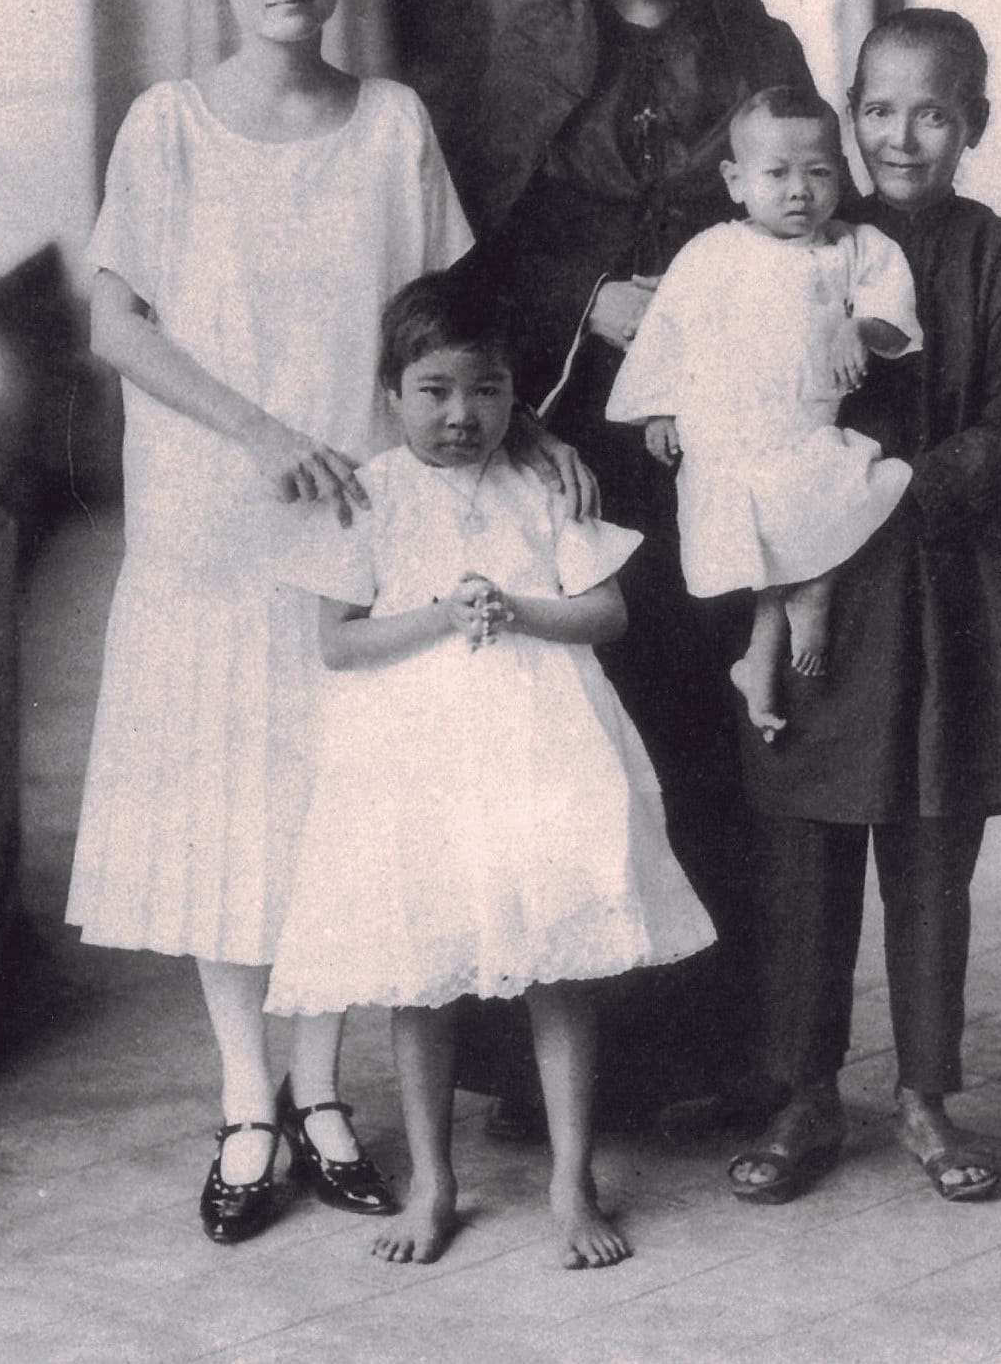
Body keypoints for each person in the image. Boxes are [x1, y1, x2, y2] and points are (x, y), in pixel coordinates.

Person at [65, 0, 582, 1245]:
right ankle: (246, 1097)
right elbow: (119, 323)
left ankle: (321, 1089)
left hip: (360, 514)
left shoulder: (392, 124)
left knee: (339, 800)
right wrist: (252, 431)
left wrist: (503, 436)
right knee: (222, 803)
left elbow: (438, 318)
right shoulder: (166, 128)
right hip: (209, 514)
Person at [434, 0, 817, 1129]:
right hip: (559, 430)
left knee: (703, 733)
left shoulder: (758, 42)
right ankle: (538, 1075)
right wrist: (579, 302)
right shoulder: (513, 39)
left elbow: (812, 212)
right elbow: (457, 239)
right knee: (560, 740)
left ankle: (709, 1056)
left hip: (714, 436)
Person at [265, 270, 716, 1269]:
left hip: (536, 745)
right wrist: (439, 613)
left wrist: (513, 609)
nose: (461, 414)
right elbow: (338, 644)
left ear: (517, 392)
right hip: (411, 759)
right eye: (433, 390)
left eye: (485, 389)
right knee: (420, 970)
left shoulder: (540, 481)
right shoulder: (369, 494)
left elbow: (605, 612)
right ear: (391, 391)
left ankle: (571, 1175)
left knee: (556, 963)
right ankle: (434, 1180)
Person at [727, 10, 1001, 1204]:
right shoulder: (805, 245)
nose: (899, 134)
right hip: (817, 590)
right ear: (848, 111)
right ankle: (803, 1092)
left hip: (942, 587)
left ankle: (924, 1093)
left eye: (930, 109)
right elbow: (749, 400)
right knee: (804, 851)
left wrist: (881, 488)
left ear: (974, 118)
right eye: (875, 108)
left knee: (930, 852)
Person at [605, 85, 920, 738]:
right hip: (723, 430)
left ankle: (761, 656)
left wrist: (857, 328)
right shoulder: (711, 254)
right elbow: (668, 329)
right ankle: (798, 608)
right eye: (777, 174)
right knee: (769, 535)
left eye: (819, 172)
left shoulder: (854, 249)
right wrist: (659, 410)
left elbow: (892, 315)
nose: (799, 191)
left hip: (799, 427)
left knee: (832, 493)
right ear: (735, 181)